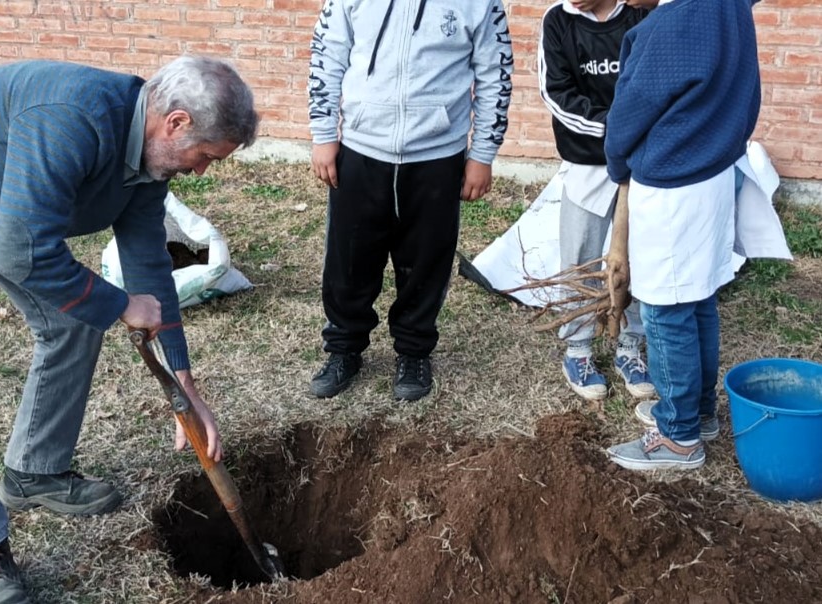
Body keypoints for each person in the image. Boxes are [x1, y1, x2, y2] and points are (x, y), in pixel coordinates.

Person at [0, 56, 259, 603]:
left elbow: (147, 261)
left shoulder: (148, 159)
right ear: (176, 122)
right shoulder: (73, 119)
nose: (201, 170)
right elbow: (24, 254)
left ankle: (34, 472)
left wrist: (184, 380)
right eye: (204, 156)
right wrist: (118, 305)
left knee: (72, 316)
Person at [307, 0, 514, 401]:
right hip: (361, 149)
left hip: (439, 155)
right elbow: (327, 54)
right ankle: (343, 350)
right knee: (348, 260)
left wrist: (483, 154)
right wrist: (323, 134)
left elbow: (496, 73)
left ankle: (414, 352)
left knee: (426, 262)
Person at [603, 0, 761, 470]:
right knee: (698, 298)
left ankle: (677, 437)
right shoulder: (730, 6)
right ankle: (700, 412)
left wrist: (617, 165)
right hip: (714, 172)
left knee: (666, 308)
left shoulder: (671, 23)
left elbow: (628, 116)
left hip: (673, 181)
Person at [537, 0, 655, 402]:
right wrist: (617, 128)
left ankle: (630, 346)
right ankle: (579, 349)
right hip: (587, 161)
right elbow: (557, 94)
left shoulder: (641, 12)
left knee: (640, 256)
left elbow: (654, 83)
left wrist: (635, 133)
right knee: (581, 255)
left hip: (641, 160)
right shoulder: (557, 21)